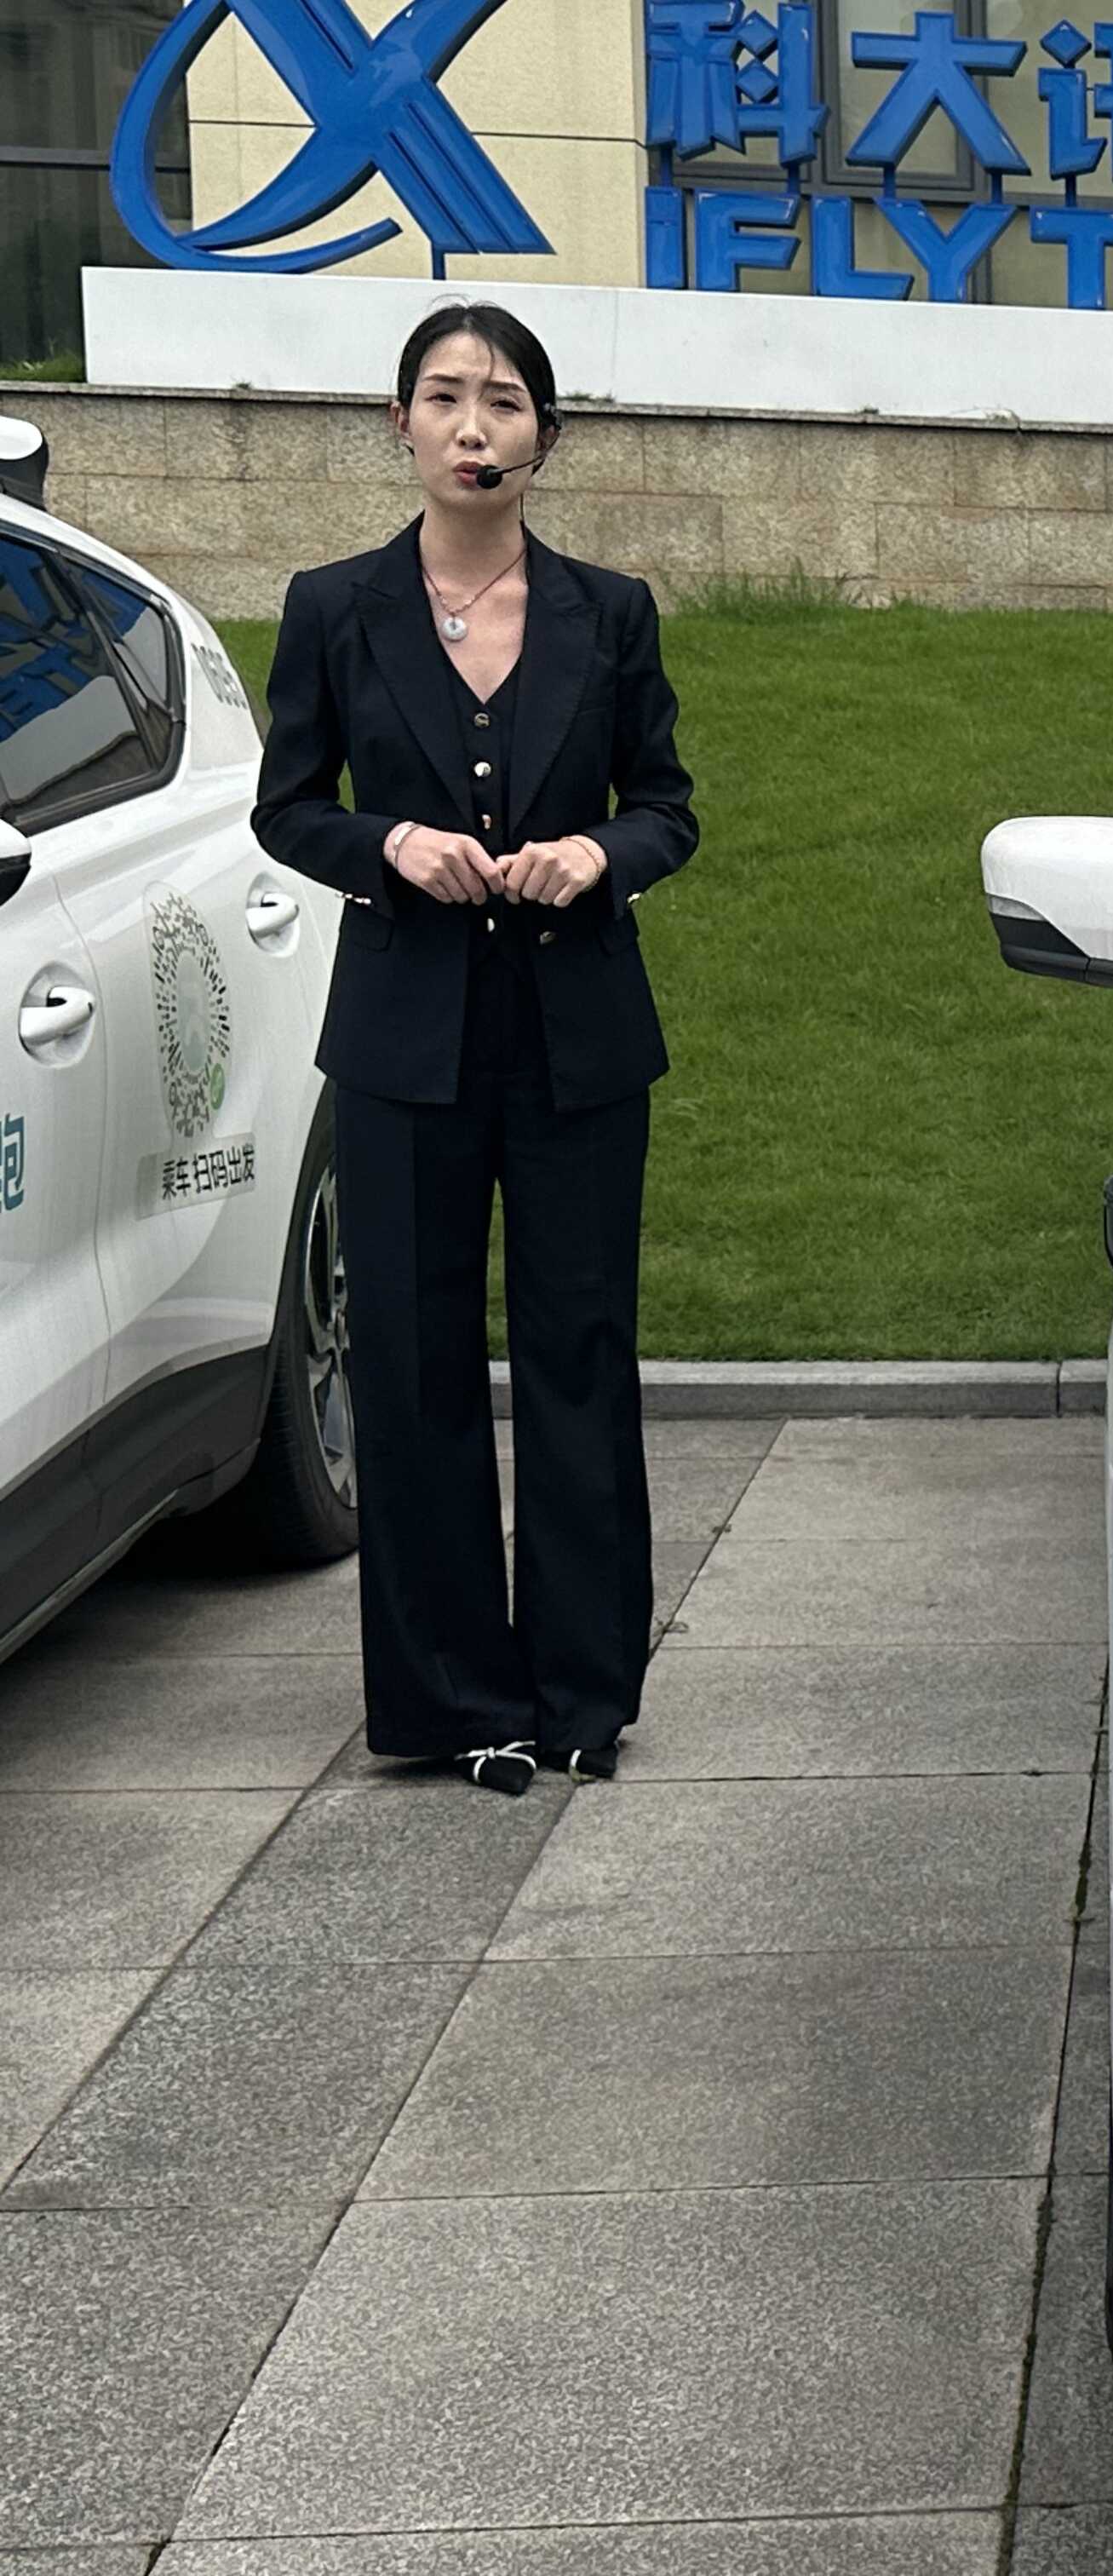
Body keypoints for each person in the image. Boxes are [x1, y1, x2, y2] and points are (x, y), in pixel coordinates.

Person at [252, 302, 697, 1795]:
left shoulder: (611, 611)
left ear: (543, 437)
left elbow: (668, 807)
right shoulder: (335, 606)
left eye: (503, 401)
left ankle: (582, 1693)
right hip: (404, 1046)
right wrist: (389, 845)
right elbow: (288, 807)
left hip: (580, 1047)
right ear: (401, 424)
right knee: (412, 1358)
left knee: (580, 1353)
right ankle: (455, 1701)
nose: (472, 426)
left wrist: (600, 856)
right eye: (444, 397)